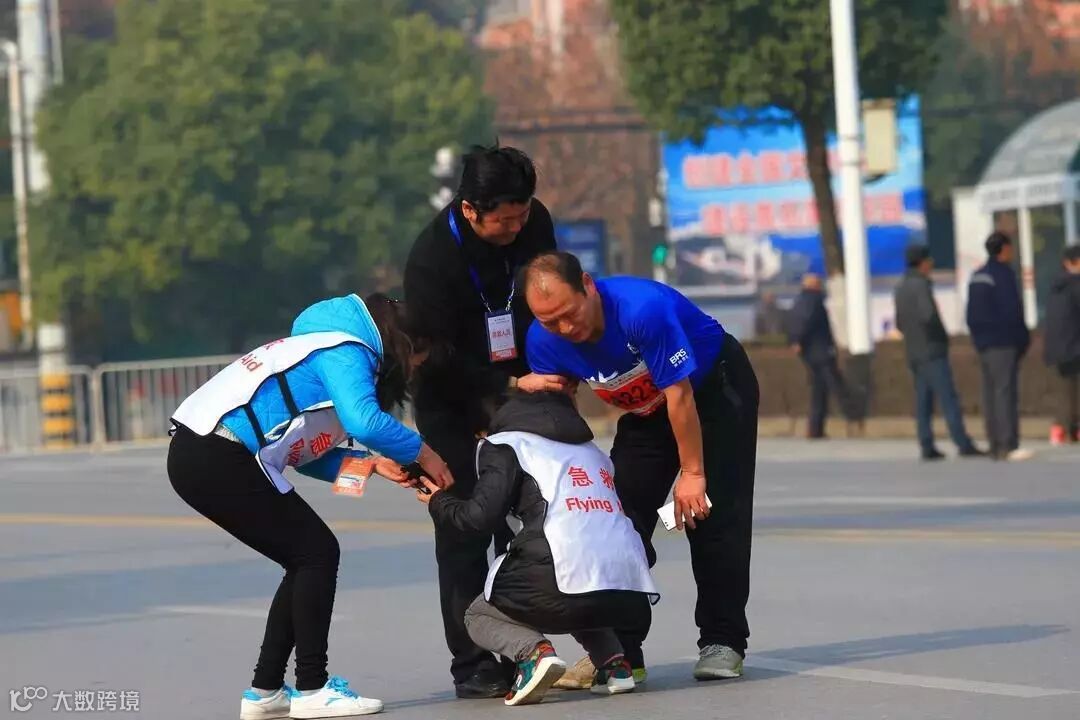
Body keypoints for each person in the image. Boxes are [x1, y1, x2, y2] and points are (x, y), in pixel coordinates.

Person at [167, 293, 454, 720]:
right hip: (217, 454)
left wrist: (372, 465)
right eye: (418, 360)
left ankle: (265, 692)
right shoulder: (345, 349)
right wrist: (426, 454)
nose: (415, 371)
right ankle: (313, 689)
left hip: (201, 453)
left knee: (304, 557)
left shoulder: (321, 350)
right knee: (316, 553)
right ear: (403, 343)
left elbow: (304, 455)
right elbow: (363, 422)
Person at [519, 251, 759, 685]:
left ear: (588, 285)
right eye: (550, 321)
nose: (565, 329)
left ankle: (722, 640)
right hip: (646, 412)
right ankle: (620, 653)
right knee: (617, 522)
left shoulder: (641, 310)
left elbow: (680, 397)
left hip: (711, 393)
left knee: (711, 514)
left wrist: (692, 474)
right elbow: (561, 417)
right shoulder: (542, 341)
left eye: (570, 314)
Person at [403, 144, 566, 698]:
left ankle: (530, 647)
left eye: (524, 214)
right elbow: (435, 356)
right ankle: (472, 664)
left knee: (539, 521)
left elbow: (547, 298)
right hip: (453, 399)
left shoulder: (533, 222)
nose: (517, 228)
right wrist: (499, 392)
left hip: (525, 387)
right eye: (506, 220)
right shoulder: (432, 259)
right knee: (467, 531)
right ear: (470, 209)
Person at [416, 391, 658, 706]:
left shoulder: (507, 445)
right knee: (583, 583)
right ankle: (615, 665)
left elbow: (479, 519)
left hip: (560, 580)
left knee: (478, 615)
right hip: (627, 594)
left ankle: (534, 654)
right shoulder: (593, 452)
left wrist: (439, 501)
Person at [894, 244, 985, 460]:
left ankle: (926, 443)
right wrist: (940, 336)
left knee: (923, 400)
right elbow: (928, 315)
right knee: (948, 398)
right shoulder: (921, 285)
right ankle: (962, 442)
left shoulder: (901, 286)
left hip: (913, 350)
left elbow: (899, 322)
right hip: (931, 349)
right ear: (923, 262)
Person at [966, 232, 1033, 461]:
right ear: (1004, 249)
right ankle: (1008, 443)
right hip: (1004, 343)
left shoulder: (977, 276)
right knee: (1005, 393)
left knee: (990, 394)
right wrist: (1022, 340)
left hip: (984, 344)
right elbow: (1012, 311)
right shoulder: (1003, 275)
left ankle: (994, 443)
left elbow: (971, 314)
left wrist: (978, 340)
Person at [786, 273, 855, 439]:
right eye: (818, 283)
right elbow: (807, 320)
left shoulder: (799, 301)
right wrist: (799, 338)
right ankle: (854, 416)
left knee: (819, 389)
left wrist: (795, 340)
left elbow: (793, 323)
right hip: (821, 350)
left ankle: (815, 428)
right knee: (835, 385)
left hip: (809, 352)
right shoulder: (814, 301)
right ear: (813, 285)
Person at [1043, 245, 1080, 445]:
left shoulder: (1056, 285)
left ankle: (1061, 429)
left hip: (1058, 347)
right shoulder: (1075, 284)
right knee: (1072, 391)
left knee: (1065, 391)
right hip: (1073, 346)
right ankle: (1068, 429)